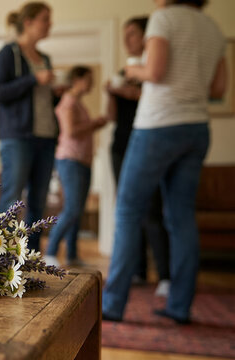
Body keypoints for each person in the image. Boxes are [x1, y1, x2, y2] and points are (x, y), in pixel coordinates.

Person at [102, 0, 227, 324]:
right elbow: (218, 87)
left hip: (158, 126)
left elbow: (154, 72)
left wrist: (131, 70)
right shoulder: (212, 27)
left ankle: (112, 305)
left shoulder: (164, 18)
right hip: (197, 127)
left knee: (129, 211)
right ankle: (179, 306)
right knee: (181, 216)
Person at [106, 16, 171, 296]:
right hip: (120, 147)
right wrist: (111, 93)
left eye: (132, 33)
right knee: (128, 210)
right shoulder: (125, 70)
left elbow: (156, 99)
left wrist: (130, 91)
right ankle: (138, 271)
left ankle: (166, 276)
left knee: (152, 211)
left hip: (148, 145)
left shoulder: (153, 69)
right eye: (124, 34)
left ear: (146, 36)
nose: (126, 39)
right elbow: (111, 116)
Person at [0, 2, 57, 251]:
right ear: (28, 22)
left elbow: (43, 100)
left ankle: (31, 257)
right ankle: (0, 257)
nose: (50, 24)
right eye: (45, 19)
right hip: (17, 137)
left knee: (39, 202)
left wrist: (56, 92)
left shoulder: (45, 58)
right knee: (11, 198)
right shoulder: (8, 54)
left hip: (46, 136)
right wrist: (33, 79)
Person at [43, 66, 107, 267]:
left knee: (77, 209)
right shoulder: (69, 102)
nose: (91, 84)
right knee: (72, 208)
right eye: (88, 79)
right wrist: (94, 124)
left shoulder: (78, 103)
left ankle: (72, 254)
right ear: (77, 79)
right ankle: (51, 251)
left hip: (82, 161)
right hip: (70, 160)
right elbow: (70, 132)